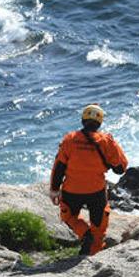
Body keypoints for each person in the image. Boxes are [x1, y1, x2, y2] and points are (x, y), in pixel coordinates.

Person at [49, 105, 128, 255]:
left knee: (68, 217)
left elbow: (59, 167)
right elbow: (120, 168)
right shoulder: (106, 141)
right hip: (96, 191)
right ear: (100, 123)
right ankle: (93, 253)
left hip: (71, 190)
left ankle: (85, 234)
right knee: (99, 225)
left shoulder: (70, 139)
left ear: (82, 120)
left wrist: (53, 190)